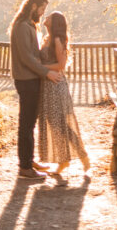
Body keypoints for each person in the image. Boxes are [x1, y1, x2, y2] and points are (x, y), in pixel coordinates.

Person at [9, 0, 61, 180]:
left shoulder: (29, 26)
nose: (42, 13)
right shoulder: (23, 27)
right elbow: (27, 58)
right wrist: (47, 72)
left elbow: (33, 54)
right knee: (26, 124)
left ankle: (28, 160)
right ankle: (25, 167)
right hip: (26, 81)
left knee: (29, 123)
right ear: (33, 6)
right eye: (42, 8)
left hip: (31, 79)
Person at [37, 10, 90, 186]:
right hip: (47, 86)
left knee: (61, 124)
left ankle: (81, 157)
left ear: (55, 22)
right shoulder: (47, 39)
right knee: (54, 124)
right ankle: (64, 159)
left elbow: (61, 65)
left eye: (49, 17)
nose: (46, 18)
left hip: (56, 86)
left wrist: (40, 67)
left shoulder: (58, 40)